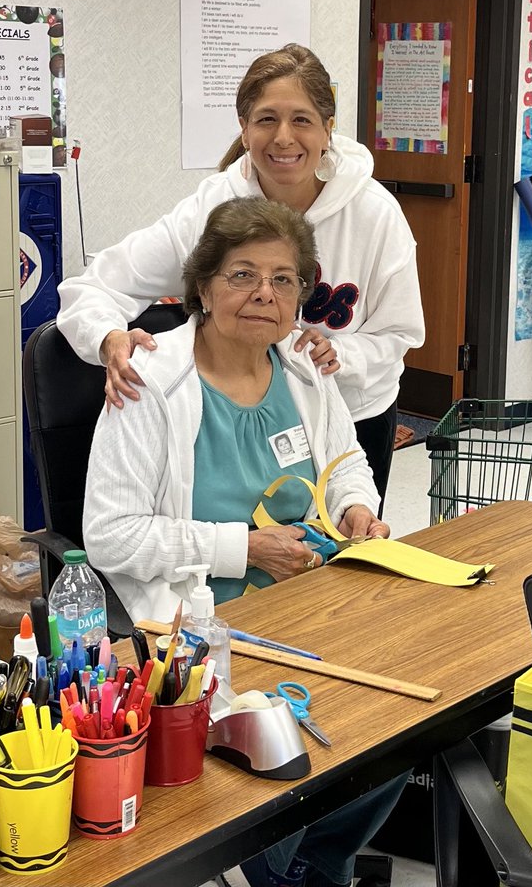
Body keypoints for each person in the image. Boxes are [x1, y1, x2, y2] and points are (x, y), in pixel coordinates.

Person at [83, 199, 406, 887]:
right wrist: (246, 549)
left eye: (284, 279)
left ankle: (317, 868)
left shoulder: (305, 369)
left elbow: (345, 461)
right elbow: (110, 535)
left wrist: (355, 510)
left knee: (398, 733)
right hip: (206, 630)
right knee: (279, 766)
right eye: (242, 275)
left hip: (317, 605)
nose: (264, 293)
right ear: (202, 287)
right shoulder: (150, 380)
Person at [59, 43, 424, 509]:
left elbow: (399, 331)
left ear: (328, 129)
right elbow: (93, 286)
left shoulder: (375, 214)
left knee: (343, 555)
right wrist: (107, 338)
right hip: (233, 422)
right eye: (267, 119)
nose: (284, 138)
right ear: (244, 127)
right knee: (249, 558)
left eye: (302, 120)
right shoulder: (212, 208)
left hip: (349, 419)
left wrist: (341, 353)